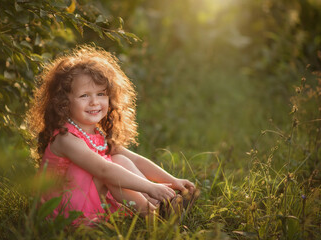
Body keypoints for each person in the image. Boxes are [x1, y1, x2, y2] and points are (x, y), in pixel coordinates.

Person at [27, 45, 196, 225]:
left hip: (84, 196)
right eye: (84, 96)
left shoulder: (97, 131)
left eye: (101, 94)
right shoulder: (65, 137)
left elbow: (136, 160)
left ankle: (160, 204)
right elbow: (104, 170)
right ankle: (153, 215)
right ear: (63, 102)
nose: (94, 102)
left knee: (120, 160)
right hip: (61, 209)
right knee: (110, 169)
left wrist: (172, 181)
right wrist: (151, 186)